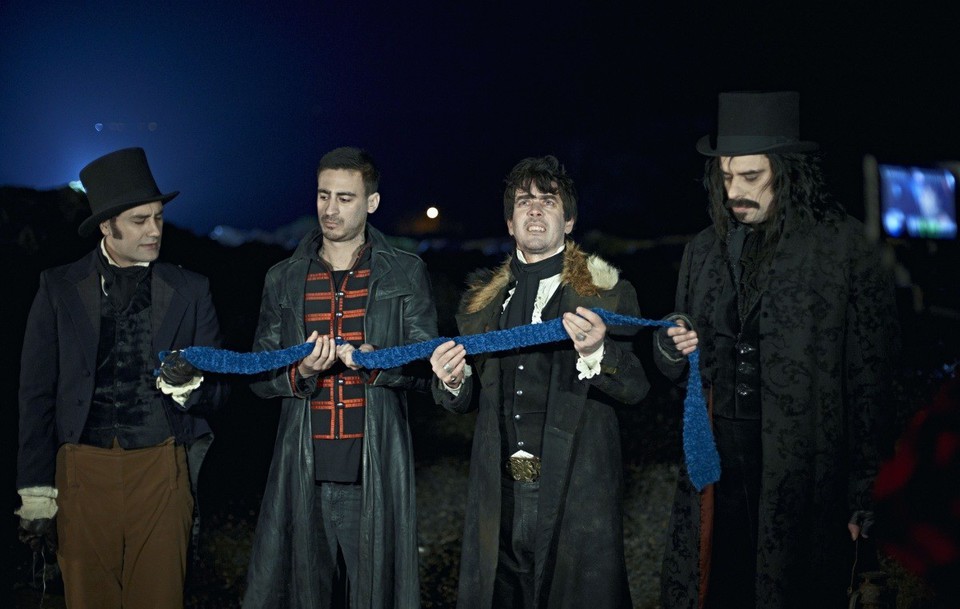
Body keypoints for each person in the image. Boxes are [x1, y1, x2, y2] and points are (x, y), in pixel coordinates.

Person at [654, 91, 900, 608]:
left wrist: (866, 494)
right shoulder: (703, 250)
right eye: (725, 177)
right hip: (718, 463)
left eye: (750, 176)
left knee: (792, 587)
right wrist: (673, 347)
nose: (734, 192)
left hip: (802, 465)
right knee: (719, 586)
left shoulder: (842, 249)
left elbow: (871, 379)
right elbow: (678, 357)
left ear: (787, 173)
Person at [430, 155, 650, 609]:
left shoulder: (606, 294)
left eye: (548, 201)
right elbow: (464, 400)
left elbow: (636, 388)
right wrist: (452, 380)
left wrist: (597, 351)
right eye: (523, 202)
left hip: (575, 495)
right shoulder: (480, 306)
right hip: (500, 496)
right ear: (510, 223)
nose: (534, 209)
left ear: (568, 221)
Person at [16, 147, 228, 609]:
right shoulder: (57, 287)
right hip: (81, 472)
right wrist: (35, 490)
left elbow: (221, 393)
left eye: (158, 218)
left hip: (161, 471)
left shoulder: (191, 289)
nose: (154, 230)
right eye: (139, 220)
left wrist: (189, 386)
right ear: (106, 226)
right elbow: (36, 395)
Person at [242, 146, 438, 609]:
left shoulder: (406, 272)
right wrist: (301, 372)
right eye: (323, 195)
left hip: (373, 471)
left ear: (372, 202)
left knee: (375, 596)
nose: (330, 209)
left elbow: (427, 367)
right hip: (301, 473)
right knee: (300, 595)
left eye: (345, 198)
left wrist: (380, 362)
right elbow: (258, 373)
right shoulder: (284, 278)